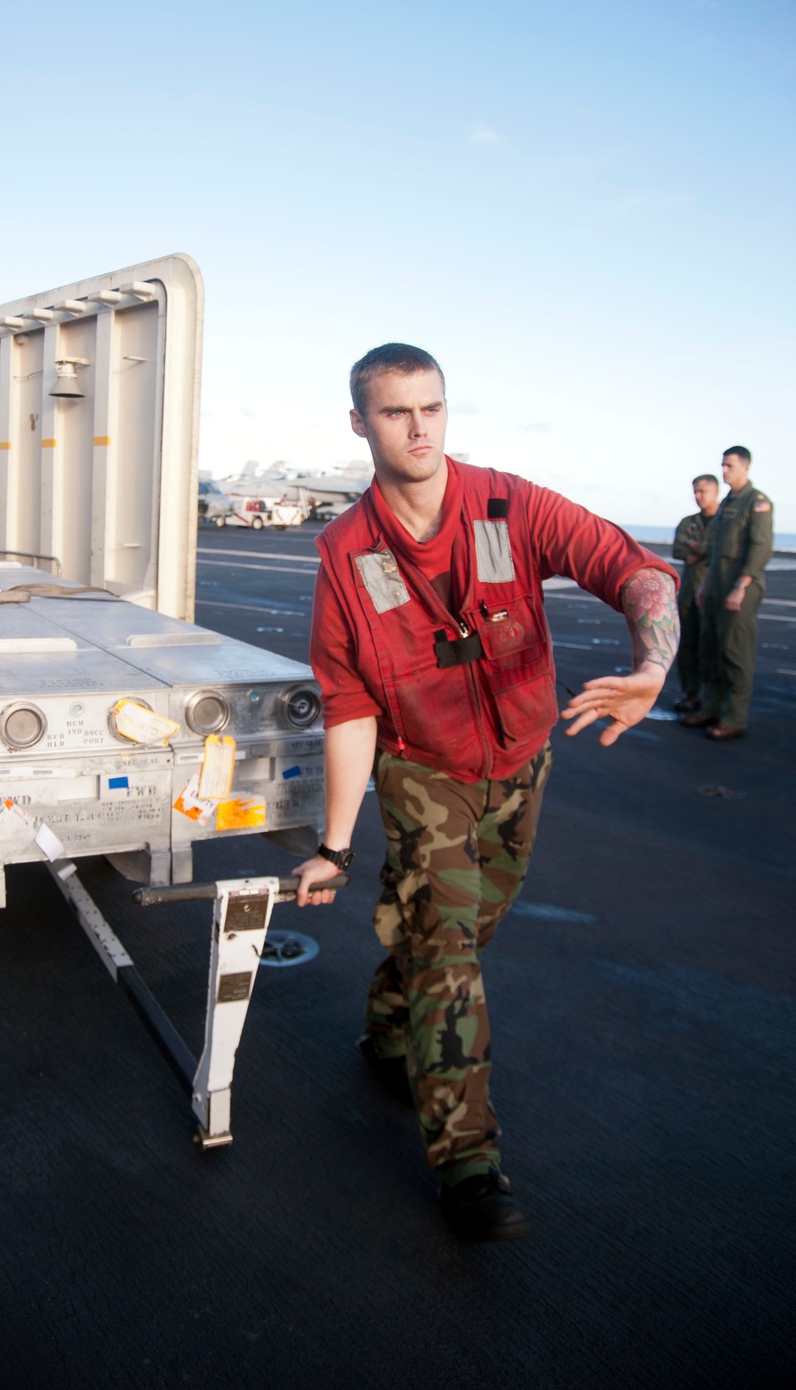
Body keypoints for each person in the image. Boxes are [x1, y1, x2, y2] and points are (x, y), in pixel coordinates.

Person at [293, 344, 679, 1244]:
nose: (419, 426)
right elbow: (347, 708)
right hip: (424, 771)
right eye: (396, 412)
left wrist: (653, 664)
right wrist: (338, 845)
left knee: (466, 927)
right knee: (449, 957)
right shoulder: (347, 556)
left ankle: (391, 1030)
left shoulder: (507, 503)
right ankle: (468, 1163)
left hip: (522, 760)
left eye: (432, 407)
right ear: (361, 424)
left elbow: (638, 570)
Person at [681, 446, 773, 741]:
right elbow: (714, 552)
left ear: (745, 468)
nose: (724, 471)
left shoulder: (756, 503)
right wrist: (705, 586)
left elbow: (760, 548)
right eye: (722, 465)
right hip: (715, 586)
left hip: (738, 589)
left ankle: (734, 718)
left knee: (735, 654)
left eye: (730, 466)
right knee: (710, 650)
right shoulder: (726, 504)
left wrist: (742, 585)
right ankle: (711, 707)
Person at [671, 474, 719, 712]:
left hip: (713, 593)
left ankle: (712, 697)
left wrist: (695, 545)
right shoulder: (688, 521)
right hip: (688, 593)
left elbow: (719, 552)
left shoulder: (724, 521)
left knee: (711, 647)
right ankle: (691, 692)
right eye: (696, 492)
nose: (699, 496)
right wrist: (703, 550)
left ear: (715, 491)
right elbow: (678, 549)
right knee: (686, 645)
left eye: (703, 491)